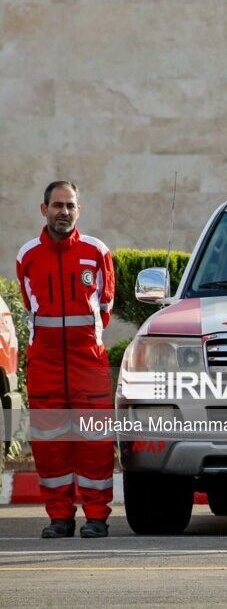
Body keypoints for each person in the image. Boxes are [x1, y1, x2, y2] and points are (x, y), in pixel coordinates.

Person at [15, 181, 116, 539]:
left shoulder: (96, 251)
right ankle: (59, 518)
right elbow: (31, 308)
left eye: (70, 205)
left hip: (88, 362)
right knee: (50, 444)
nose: (64, 212)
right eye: (57, 205)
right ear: (44, 209)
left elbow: (105, 308)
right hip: (45, 365)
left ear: (79, 210)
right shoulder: (27, 255)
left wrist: (83, 340)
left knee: (95, 444)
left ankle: (97, 518)